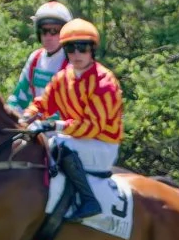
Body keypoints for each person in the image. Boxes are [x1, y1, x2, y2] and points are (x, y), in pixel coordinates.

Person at [18, 19, 124, 221]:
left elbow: (92, 127)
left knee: (57, 142)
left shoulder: (105, 82)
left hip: (102, 144)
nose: (76, 54)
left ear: (92, 49)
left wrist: (55, 125)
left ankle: (89, 201)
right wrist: (24, 119)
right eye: (70, 48)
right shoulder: (62, 77)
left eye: (82, 47)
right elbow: (42, 104)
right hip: (78, 141)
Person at [6, 1, 72, 115]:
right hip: (35, 126)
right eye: (44, 31)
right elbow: (19, 98)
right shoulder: (35, 58)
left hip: (63, 130)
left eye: (54, 31)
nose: (48, 37)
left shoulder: (73, 62)